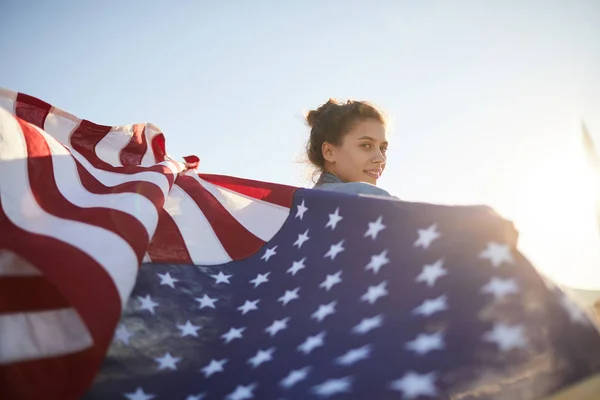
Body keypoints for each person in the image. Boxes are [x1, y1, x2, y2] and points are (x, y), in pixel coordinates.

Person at [304, 98, 393, 197]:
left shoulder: (302, 204)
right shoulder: (374, 199)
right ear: (329, 152)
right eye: (366, 145)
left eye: (383, 148)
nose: (381, 159)